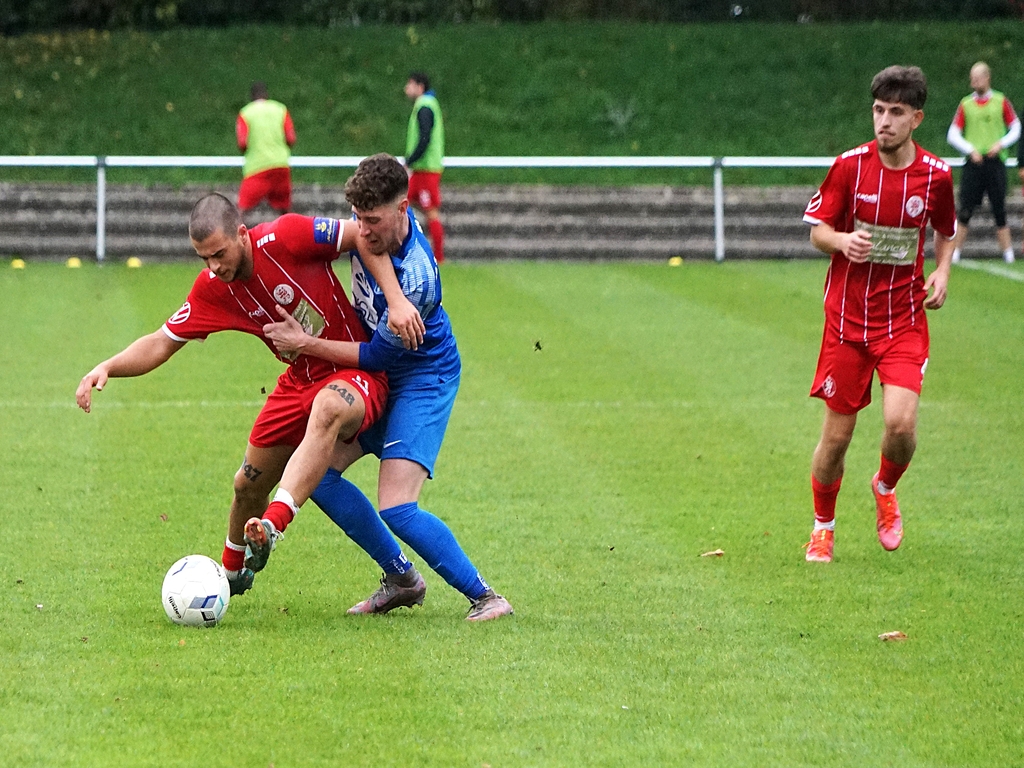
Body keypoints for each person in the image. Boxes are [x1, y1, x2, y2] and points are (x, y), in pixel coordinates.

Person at [76, 194, 425, 599]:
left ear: (242, 234)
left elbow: (362, 237)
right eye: (204, 258)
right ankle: (229, 577)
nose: (214, 266)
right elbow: (161, 342)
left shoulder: (287, 236)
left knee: (328, 407)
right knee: (247, 484)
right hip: (299, 381)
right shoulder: (213, 288)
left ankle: (274, 524)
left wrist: (397, 301)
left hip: (356, 372)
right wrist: (107, 367)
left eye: (219, 254)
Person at [257, 153, 513, 621]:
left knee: (397, 507)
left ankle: (487, 597)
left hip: (423, 377)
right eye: (357, 217)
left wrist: (306, 343)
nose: (363, 230)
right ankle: (400, 579)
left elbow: (375, 355)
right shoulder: (368, 233)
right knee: (318, 474)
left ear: (403, 209)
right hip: (385, 377)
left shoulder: (417, 278)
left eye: (372, 220)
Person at [801, 65, 956, 564]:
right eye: (878, 110)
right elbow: (818, 231)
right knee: (836, 440)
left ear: (916, 118)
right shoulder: (850, 167)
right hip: (847, 323)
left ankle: (885, 487)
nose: (883, 121)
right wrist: (842, 240)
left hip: (904, 320)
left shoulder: (936, 175)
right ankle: (823, 528)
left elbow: (947, 230)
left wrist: (942, 271)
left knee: (901, 426)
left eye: (895, 112)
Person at [946, 62, 1019, 264]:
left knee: (999, 209)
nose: (974, 82)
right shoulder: (966, 104)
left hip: (995, 162)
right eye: (972, 79)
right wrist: (970, 149)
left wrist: (1001, 144)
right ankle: (956, 252)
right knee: (965, 209)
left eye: (977, 78)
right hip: (974, 163)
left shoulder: (1000, 101)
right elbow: (953, 134)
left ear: (987, 78)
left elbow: (1015, 127)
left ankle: (1008, 253)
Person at [404, 71, 446, 264]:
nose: (406, 88)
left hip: (426, 170)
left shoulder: (425, 106)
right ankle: (402, 249)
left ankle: (439, 257)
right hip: (421, 170)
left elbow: (424, 137)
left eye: (410, 84)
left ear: (419, 87)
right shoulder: (427, 104)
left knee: (430, 211)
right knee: (400, 205)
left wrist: (411, 160)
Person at [237, 81, 297, 217]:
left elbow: (242, 143)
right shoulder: (281, 109)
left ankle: (232, 231)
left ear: (252, 97)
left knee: (242, 208)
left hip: (257, 166)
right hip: (280, 164)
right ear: (266, 95)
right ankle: (293, 230)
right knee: (285, 210)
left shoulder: (245, 113)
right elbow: (291, 138)